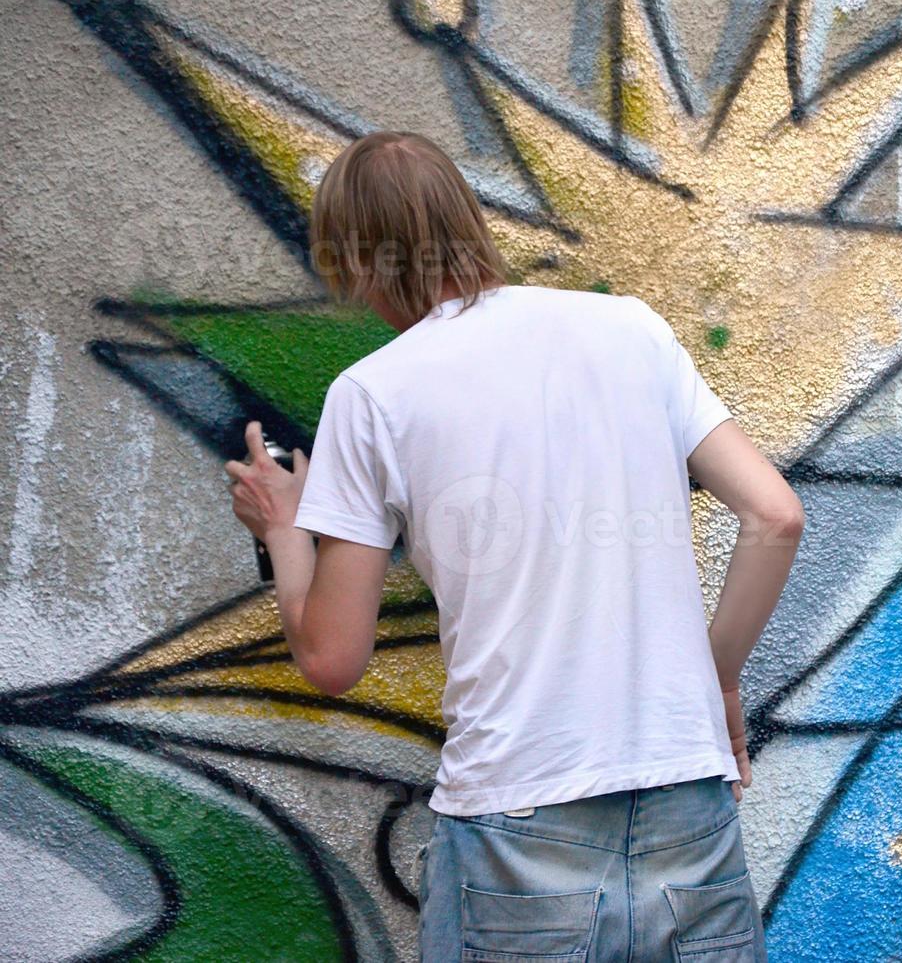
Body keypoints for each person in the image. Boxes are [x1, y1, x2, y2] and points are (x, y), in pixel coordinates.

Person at [224, 130, 804, 961]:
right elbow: (775, 515)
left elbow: (330, 659)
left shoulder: (374, 394)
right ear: (466, 221)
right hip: (687, 797)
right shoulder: (630, 330)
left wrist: (286, 532)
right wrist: (712, 682)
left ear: (356, 258)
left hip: (519, 816)